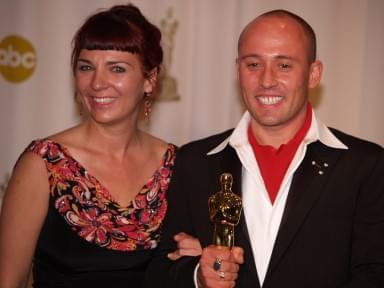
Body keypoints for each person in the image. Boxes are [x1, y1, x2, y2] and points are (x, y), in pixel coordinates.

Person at [144, 9, 384, 288]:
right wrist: (198, 274)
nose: (267, 80)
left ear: (313, 74)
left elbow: (375, 274)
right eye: (253, 64)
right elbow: (160, 272)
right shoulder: (194, 161)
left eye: (284, 65)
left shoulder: (366, 167)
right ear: (238, 71)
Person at [0, 4, 199, 288]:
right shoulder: (44, 163)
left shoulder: (175, 165)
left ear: (149, 79)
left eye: (116, 68)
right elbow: (10, 282)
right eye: (86, 67)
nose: (97, 82)